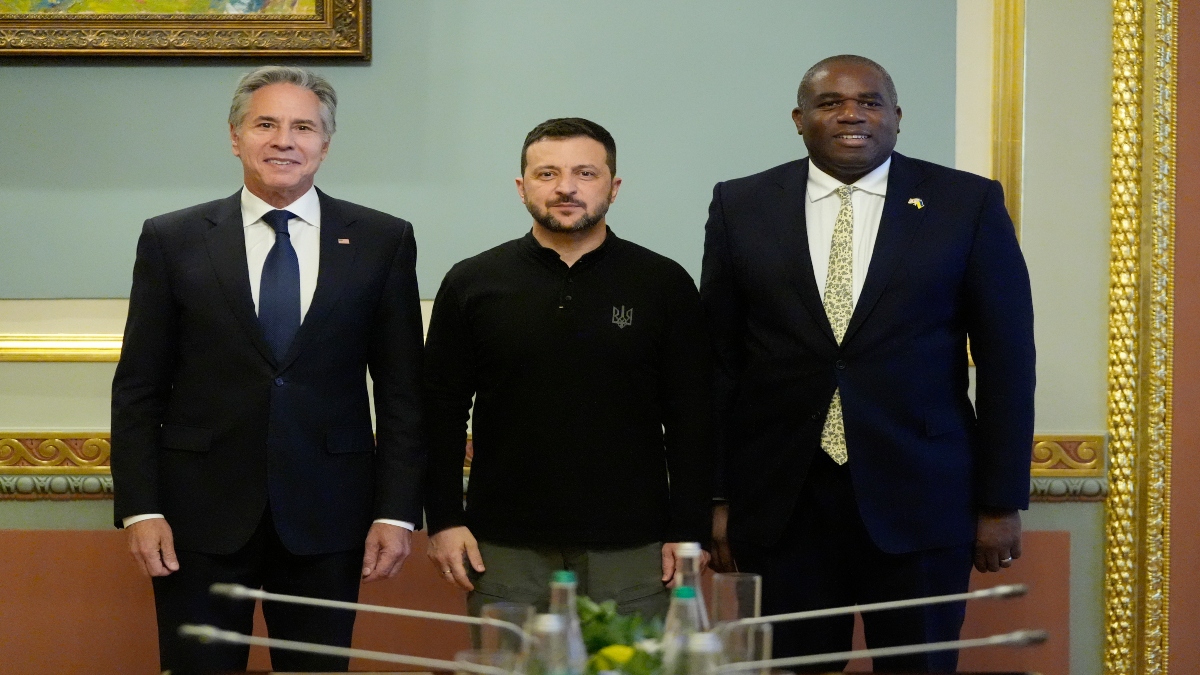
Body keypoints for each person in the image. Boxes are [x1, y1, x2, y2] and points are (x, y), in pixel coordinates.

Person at [701, 55, 1035, 672]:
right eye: (830, 103)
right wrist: (717, 498)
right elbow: (719, 362)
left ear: (897, 117)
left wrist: (1000, 501)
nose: (851, 114)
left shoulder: (966, 203)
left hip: (923, 499)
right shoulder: (740, 204)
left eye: (870, 102)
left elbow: (1007, 360)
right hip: (782, 505)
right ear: (799, 119)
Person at [110, 66, 425, 674]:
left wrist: (394, 511)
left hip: (330, 515)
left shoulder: (382, 240)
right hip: (198, 518)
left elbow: (402, 390)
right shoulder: (173, 239)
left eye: (303, 127)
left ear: (325, 144)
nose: (284, 141)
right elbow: (139, 388)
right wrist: (141, 509)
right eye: (265, 125)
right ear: (236, 137)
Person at [423, 118, 712, 619]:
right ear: (522, 187)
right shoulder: (472, 282)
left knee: (632, 661)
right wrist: (445, 519)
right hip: (503, 546)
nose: (566, 188)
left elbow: (693, 417)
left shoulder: (663, 283)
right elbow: (440, 411)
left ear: (613, 187)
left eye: (585, 173)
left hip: (634, 547)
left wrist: (690, 530)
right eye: (547, 174)